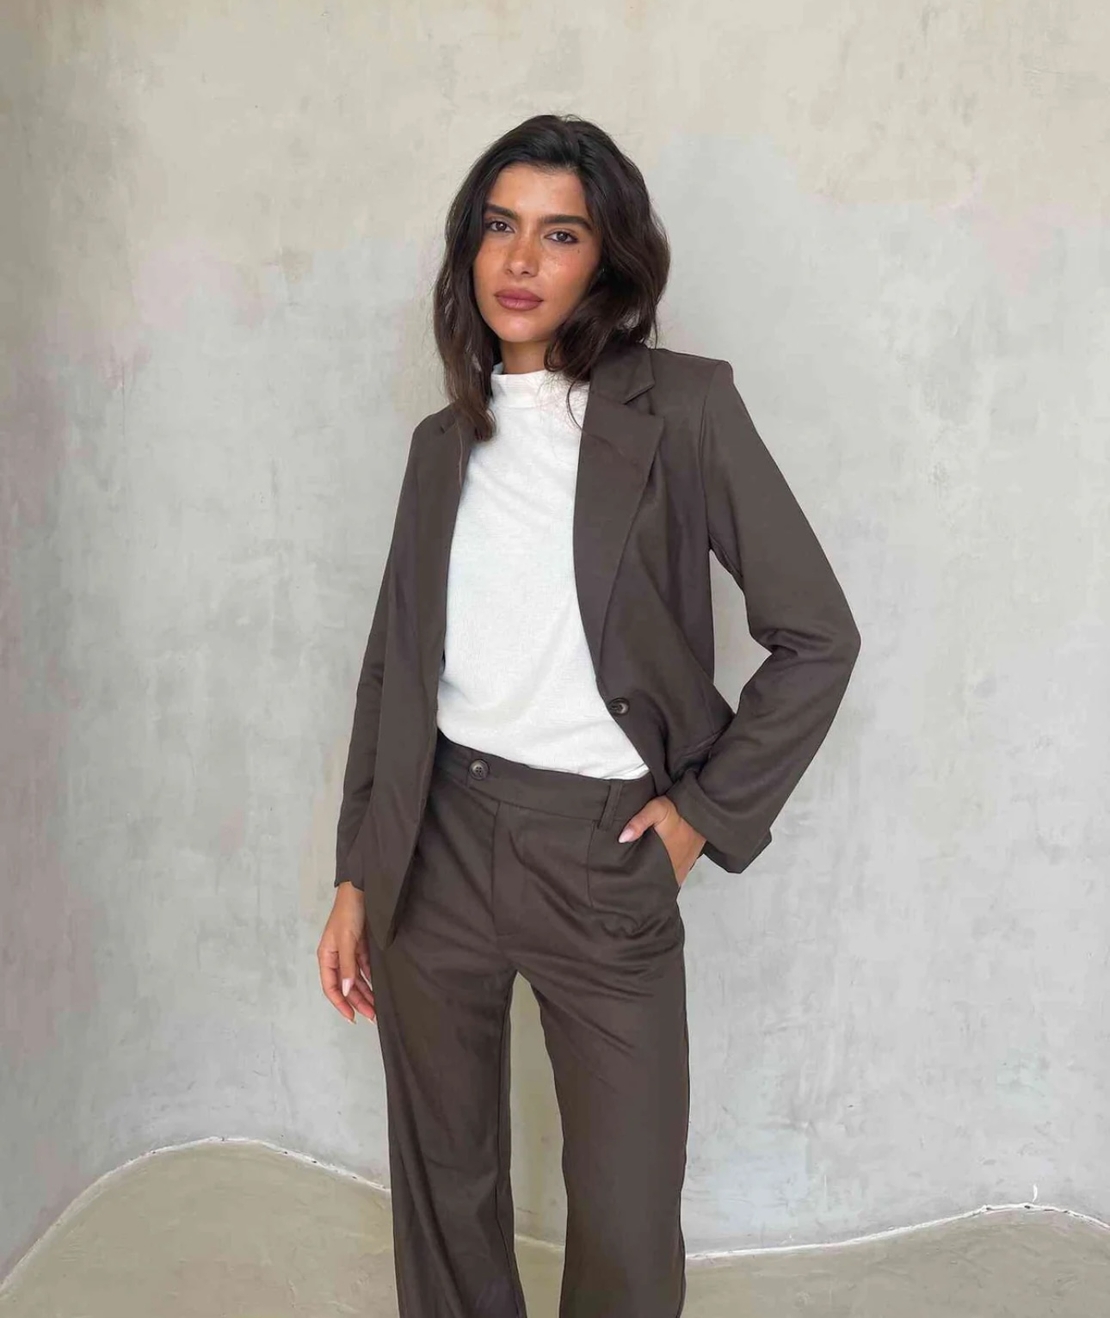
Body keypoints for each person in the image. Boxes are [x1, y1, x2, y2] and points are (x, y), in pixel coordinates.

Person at [317, 113, 861, 1318]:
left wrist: (698, 818)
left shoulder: (685, 409)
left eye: (559, 235)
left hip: (603, 850)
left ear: (605, 260)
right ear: (469, 249)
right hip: (434, 844)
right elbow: (392, 669)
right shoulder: (438, 447)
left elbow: (818, 635)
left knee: (623, 1217)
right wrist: (359, 869)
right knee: (447, 1191)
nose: (521, 260)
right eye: (499, 227)